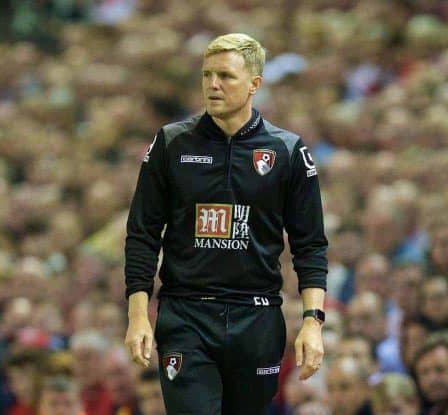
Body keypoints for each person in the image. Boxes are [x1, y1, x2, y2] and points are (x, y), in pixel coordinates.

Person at [124, 33, 328, 414]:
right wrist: (138, 316)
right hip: (186, 315)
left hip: (259, 317)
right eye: (206, 75)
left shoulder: (287, 151)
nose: (212, 85)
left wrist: (312, 321)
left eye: (226, 76)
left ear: (255, 84)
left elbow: (310, 244)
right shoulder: (172, 144)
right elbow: (142, 234)